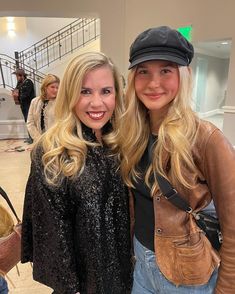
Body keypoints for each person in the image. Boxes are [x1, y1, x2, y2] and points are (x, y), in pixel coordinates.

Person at [116, 26, 235, 293]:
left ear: (184, 76)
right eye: (144, 71)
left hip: (189, 276)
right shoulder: (133, 133)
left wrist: (226, 288)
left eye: (166, 70)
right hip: (141, 267)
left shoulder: (206, 139)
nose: (153, 83)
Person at [21, 52, 132, 294]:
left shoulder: (122, 142)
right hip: (84, 285)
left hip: (128, 278)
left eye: (105, 91)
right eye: (85, 91)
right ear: (70, 94)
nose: (97, 103)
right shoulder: (51, 152)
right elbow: (52, 233)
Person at [27, 74, 60, 142]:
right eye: (52, 87)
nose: (56, 90)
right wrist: (39, 139)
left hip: (55, 142)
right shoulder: (34, 102)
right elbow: (30, 123)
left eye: (57, 87)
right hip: (38, 141)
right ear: (45, 87)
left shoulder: (61, 103)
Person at [12, 68, 36, 143]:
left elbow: (26, 94)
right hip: (23, 105)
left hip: (29, 105)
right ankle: (30, 138)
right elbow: (17, 90)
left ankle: (32, 138)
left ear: (22, 76)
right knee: (27, 121)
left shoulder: (28, 82)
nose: (17, 78)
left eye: (17, 76)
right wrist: (14, 92)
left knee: (30, 121)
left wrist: (18, 96)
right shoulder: (19, 83)